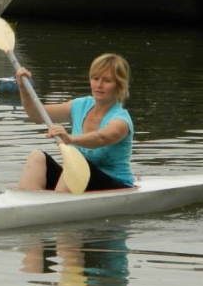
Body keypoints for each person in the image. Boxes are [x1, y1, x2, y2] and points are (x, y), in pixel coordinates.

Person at [15, 53, 134, 191]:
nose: (99, 85)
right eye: (95, 78)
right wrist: (23, 87)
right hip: (80, 178)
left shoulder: (121, 121)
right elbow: (37, 114)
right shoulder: (79, 106)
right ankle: (28, 200)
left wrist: (70, 139)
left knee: (76, 167)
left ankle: (57, 202)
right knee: (37, 157)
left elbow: (101, 138)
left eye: (107, 80)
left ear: (119, 85)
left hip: (115, 184)